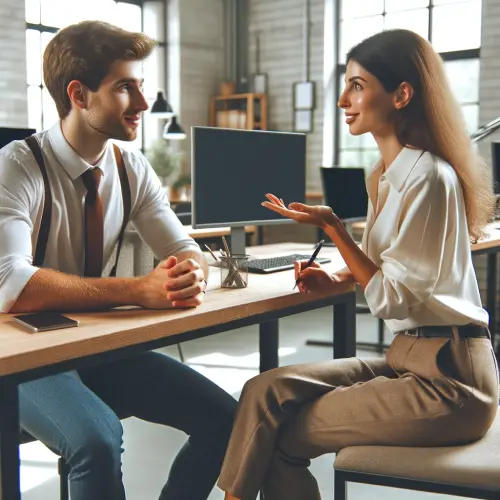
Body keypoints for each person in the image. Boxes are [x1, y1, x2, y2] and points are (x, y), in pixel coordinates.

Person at [218, 29, 499, 500]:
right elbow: (387, 265)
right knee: (266, 388)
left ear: (401, 94)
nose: (343, 100)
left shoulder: (429, 178)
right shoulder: (384, 176)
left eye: (357, 86)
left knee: (280, 438)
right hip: (410, 357)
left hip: (452, 384)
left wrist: (335, 230)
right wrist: (339, 273)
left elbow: (391, 297)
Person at [0, 21, 236, 500]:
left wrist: (188, 273)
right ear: (79, 94)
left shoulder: (131, 168)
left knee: (228, 419)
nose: (144, 104)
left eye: (141, 86)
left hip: (92, 347)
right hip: (20, 357)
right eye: (126, 88)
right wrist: (137, 290)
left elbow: (185, 248)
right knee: (96, 439)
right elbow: (11, 282)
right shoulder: (17, 165)